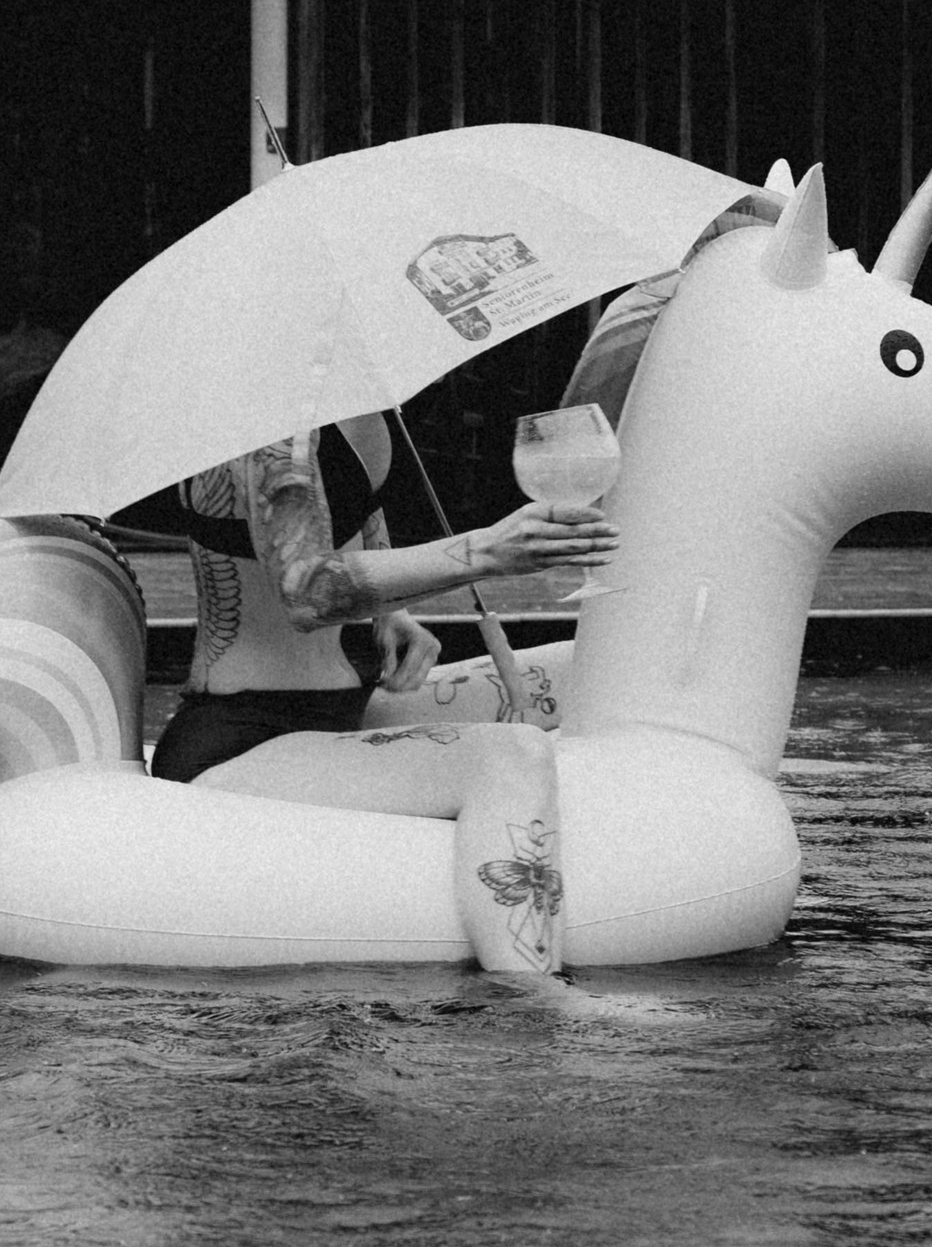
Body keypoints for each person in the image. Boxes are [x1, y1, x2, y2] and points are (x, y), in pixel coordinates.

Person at [149, 411, 618, 973]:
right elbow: (306, 592)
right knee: (510, 753)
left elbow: (358, 518)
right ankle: (534, 1001)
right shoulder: (273, 426)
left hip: (349, 706)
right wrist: (486, 551)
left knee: (582, 664)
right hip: (241, 737)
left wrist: (390, 613)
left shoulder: (359, 405)